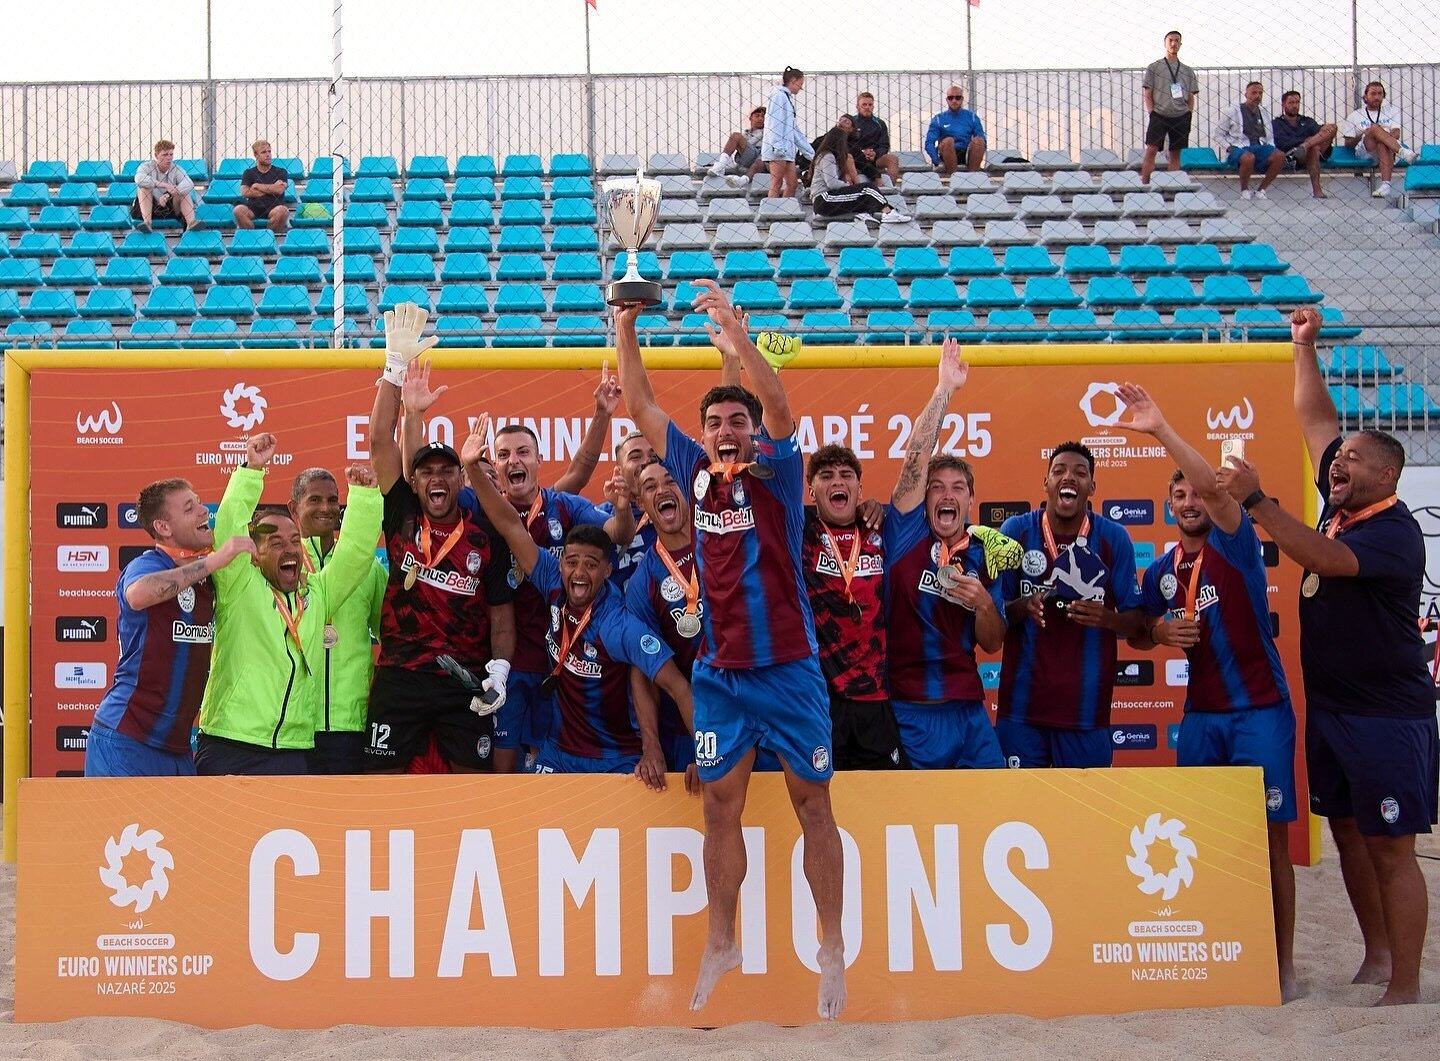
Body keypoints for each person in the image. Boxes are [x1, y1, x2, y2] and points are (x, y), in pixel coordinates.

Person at [613, 281, 847, 1020]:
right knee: (720, 807)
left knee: (813, 804)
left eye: (733, 420)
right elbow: (644, 406)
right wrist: (624, 327)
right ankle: (723, 939)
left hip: (789, 669)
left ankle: (832, 942)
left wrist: (738, 342)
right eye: (713, 420)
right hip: (720, 676)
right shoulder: (692, 473)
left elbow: (779, 410)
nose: (724, 428)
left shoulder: (777, 474)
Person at [1219, 306, 1437, 1007]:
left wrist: (1254, 498)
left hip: (1386, 714)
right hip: (1335, 708)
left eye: (1350, 461)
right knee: (1346, 829)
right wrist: (1302, 348)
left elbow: (1322, 558)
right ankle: (1376, 955)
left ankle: (1405, 984)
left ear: (1387, 476)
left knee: (1392, 846)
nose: (1335, 463)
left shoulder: (1392, 534)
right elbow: (1316, 418)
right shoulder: (1340, 499)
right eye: (1335, 461)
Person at [1116, 383, 1299, 1002]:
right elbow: (1140, 633)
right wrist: (1158, 631)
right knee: (1200, 840)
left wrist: (1162, 427)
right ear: (1167, 504)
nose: (1191, 498)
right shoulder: (1159, 571)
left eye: (1196, 490)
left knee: (1270, 838)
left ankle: (1282, 965)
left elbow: (1224, 493)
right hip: (1201, 718)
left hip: (1259, 713)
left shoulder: (1235, 542)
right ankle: (1220, 953)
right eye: (1179, 493)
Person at [458, 418, 692, 787]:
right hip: (559, 755)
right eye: (572, 562)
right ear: (559, 562)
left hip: (615, 759)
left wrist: (679, 752)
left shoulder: (618, 625)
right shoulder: (552, 576)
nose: (578, 573)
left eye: (590, 565)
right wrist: (472, 466)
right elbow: (510, 526)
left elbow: (678, 687)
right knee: (516, 804)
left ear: (607, 570)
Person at [365, 304, 517, 774]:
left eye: (446, 472)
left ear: (459, 480)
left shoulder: (484, 533)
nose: (436, 479)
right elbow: (378, 442)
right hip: (400, 676)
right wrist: (392, 368)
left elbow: (502, 618)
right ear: (415, 482)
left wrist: (500, 670)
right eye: (426, 471)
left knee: (472, 790)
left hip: (463, 678)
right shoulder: (403, 514)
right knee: (381, 792)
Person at [195, 434, 382, 775]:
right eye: (276, 542)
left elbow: (355, 555)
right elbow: (228, 526)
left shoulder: (316, 594)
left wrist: (366, 499)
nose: (290, 549)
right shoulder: (240, 585)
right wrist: (251, 471)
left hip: (293, 749)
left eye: (295, 541)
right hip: (231, 740)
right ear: (254, 552)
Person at [882, 343, 1022, 770]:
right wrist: (944, 390)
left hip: (968, 709)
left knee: (992, 813)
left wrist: (982, 602)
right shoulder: (904, 532)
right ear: (922, 499)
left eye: (957, 487)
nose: (946, 494)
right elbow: (915, 458)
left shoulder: (984, 552)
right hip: (912, 708)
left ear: (971, 499)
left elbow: (994, 641)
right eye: (936, 487)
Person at [84, 480, 253, 776]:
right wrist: (213, 561)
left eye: (200, 503)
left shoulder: (205, 577)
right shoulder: (149, 563)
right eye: (190, 508)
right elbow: (137, 594)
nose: (204, 511)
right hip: (127, 738)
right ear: (163, 527)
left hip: (177, 749)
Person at [995, 443, 1146, 768]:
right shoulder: (1015, 532)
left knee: (1084, 818)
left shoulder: (1112, 537)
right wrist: (1026, 606)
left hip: (1085, 715)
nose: (1069, 478)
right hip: (1021, 713)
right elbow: (993, 617)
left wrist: (1106, 618)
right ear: (1046, 482)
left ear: (1092, 486)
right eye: (1059, 470)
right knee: (1018, 814)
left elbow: (1138, 624)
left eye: (1080, 473)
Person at [802, 443, 906, 770]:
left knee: (884, 807)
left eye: (847, 475)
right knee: (823, 801)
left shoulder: (879, 528)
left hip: (875, 699)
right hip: (821, 703)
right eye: (826, 476)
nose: (837, 481)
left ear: (859, 489)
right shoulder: (800, 530)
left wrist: (878, 507)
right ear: (811, 490)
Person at [289, 466, 388, 774]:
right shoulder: (282, 564)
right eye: (315, 499)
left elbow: (392, 635)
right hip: (293, 722)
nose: (326, 508)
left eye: (333, 500)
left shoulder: (368, 568)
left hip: (350, 724)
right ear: (294, 509)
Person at [809, 126, 912, 225]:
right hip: (824, 199)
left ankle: (864, 215)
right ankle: (888, 213)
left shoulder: (832, 157)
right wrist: (849, 187)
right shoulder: (827, 156)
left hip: (830, 198)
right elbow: (832, 183)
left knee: (865, 196)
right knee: (868, 188)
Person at [1340, 81, 1418, 198]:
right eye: (1373, 94)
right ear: (1365, 97)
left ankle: (1385, 186)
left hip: (1387, 148)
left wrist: (1382, 136)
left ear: (1383, 96)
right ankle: (1403, 152)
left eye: (1380, 94)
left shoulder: (1392, 111)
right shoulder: (1355, 115)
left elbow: (1396, 133)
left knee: (1382, 142)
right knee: (1375, 128)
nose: (1377, 97)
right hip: (1366, 150)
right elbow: (1348, 143)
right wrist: (1364, 134)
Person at [1140, 30, 1199, 184]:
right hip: (1159, 113)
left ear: (1180, 44)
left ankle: (1172, 185)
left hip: (1180, 115)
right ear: (1165, 43)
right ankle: (1145, 184)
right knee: (1151, 150)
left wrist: (1188, 113)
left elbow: (1191, 96)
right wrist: (1152, 111)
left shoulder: (1187, 70)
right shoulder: (1154, 67)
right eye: (1170, 40)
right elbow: (1148, 92)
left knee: (1175, 153)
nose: (1173, 43)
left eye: (1177, 40)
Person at [1217, 82, 1286, 201]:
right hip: (1238, 147)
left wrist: (1271, 147)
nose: (1257, 96)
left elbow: (1269, 136)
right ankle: (1244, 190)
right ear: (1246, 94)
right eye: (1254, 93)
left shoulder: (1263, 112)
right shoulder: (1231, 111)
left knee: (1280, 155)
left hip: (1259, 146)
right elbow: (1218, 135)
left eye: (1260, 93)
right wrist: (1229, 147)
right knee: (1248, 157)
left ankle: (1261, 190)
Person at [1272, 90, 1338, 199]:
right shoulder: (1277, 123)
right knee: (1314, 147)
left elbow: (1321, 132)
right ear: (1283, 104)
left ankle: (1305, 146)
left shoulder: (1307, 121)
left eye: (1297, 102)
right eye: (1291, 103)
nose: (1295, 106)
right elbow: (1281, 143)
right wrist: (1307, 140)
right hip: (1292, 155)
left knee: (1331, 128)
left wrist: (1307, 143)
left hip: (1311, 151)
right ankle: (1317, 191)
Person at [760, 66, 814, 199]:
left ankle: (783, 209)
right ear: (793, 80)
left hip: (786, 150)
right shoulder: (778, 96)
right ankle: (771, 212)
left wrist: (810, 153)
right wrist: (778, 146)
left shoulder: (786, 98)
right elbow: (775, 122)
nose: (800, 88)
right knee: (776, 182)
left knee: (792, 184)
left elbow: (793, 130)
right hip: (778, 149)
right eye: (800, 84)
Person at [131, 140, 198, 232]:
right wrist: (164, 185)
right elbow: (139, 179)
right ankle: (147, 222)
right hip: (149, 206)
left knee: (184, 193)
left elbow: (189, 183)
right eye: (165, 155)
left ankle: (191, 223)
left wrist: (168, 194)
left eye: (171, 154)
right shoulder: (146, 166)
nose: (169, 158)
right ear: (156, 155)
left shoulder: (176, 169)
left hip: (169, 206)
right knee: (143, 188)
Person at [924, 86, 986, 175]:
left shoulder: (971, 117)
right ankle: (953, 177)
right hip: (946, 153)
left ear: (962, 99)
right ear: (947, 100)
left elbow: (981, 138)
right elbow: (929, 143)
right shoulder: (938, 119)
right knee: (948, 141)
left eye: (957, 98)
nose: (954, 101)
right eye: (950, 98)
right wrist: (936, 161)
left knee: (979, 140)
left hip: (967, 153)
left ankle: (972, 177)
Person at [233, 139, 291, 231]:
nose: (268, 155)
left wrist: (257, 186)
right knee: (238, 210)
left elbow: (279, 190)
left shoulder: (280, 171)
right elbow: (245, 192)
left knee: (283, 211)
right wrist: (272, 188)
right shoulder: (249, 173)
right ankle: (251, 236)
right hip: (254, 207)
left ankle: (268, 236)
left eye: (269, 151)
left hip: (274, 206)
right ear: (256, 155)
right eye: (264, 152)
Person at [848, 91, 900, 188]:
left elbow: (884, 145)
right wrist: (861, 153)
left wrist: (875, 153)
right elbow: (848, 144)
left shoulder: (880, 123)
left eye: (870, 104)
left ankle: (889, 190)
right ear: (857, 106)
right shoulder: (851, 123)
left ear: (873, 106)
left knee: (893, 159)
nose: (867, 107)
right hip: (856, 159)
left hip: (875, 158)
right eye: (864, 104)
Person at [708, 105, 768, 182]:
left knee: (758, 162)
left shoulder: (768, 131)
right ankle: (721, 165)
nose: (760, 118)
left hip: (760, 156)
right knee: (735, 135)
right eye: (757, 116)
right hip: (747, 157)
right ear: (750, 118)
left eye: (763, 117)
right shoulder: (745, 134)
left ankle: (743, 180)